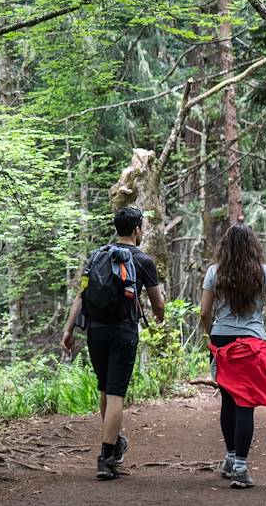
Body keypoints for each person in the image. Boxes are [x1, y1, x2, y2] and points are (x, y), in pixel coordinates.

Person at [61, 206, 166, 480]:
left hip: (95, 331)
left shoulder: (97, 255)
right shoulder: (142, 260)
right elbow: (158, 302)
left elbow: (81, 296)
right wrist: (159, 317)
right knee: (117, 392)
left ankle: (113, 443)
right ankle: (107, 458)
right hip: (123, 331)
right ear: (137, 229)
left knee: (105, 389)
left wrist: (68, 330)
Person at [199, 223, 266, 489]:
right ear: (253, 246)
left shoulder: (214, 272)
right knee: (245, 403)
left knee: (228, 400)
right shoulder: (263, 273)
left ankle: (230, 459)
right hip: (252, 342)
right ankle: (239, 466)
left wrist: (212, 338)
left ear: (225, 247)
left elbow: (204, 313)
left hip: (222, 341)